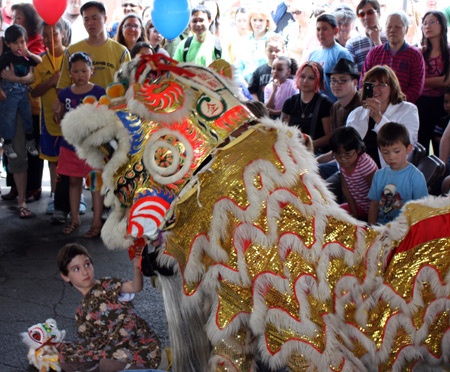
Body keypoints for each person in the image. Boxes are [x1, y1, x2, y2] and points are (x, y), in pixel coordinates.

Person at [53, 0, 130, 227]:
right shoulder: (73, 50)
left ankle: (107, 212)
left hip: (110, 123)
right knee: (73, 173)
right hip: (79, 128)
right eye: (86, 18)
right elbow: (62, 87)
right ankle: (66, 211)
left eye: (95, 17)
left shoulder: (120, 51)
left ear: (105, 19)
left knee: (108, 170)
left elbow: (127, 86)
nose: (90, 22)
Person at [57, 242, 164, 371]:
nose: (85, 272)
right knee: (65, 359)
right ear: (65, 276)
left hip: (136, 341)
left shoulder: (107, 284)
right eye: (76, 269)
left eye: (87, 264)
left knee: (109, 364)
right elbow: (89, 344)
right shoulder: (81, 313)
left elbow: (135, 287)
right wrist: (67, 347)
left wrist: (137, 268)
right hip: (111, 347)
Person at [53, 52, 105, 236]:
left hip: (92, 148)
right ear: (69, 73)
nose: (80, 75)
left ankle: (97, 223)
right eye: (75, 71)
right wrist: (58, 112)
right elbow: (60, 121)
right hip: (70, 147)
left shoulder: (99, 92)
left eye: (84, 70)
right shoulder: (65, 93)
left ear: (91, 70)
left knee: (95, 184)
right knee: (73, 181)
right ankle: (75, 219)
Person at [30, 19, 70, 215]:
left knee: (71, 160)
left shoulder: (71, 58)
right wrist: (51, 81)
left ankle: (74, 198)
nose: (49, 38)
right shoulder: (39, 63)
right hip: (48, 122)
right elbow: (35, 92)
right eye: (45, 34)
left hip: (70, 121)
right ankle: (55, 197)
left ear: (63, 34)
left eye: (54, 33)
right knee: (53, 160)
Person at [347, 65, 419, 169]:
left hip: (389, 172)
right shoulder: (356, 114)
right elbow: (345, 146)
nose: (375, 89)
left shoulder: (408, 110)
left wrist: (378, 118)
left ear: (392, 87)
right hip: (355, 172)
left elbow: (405, 146)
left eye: (381, 84)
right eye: (371, 84)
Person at [368, 122, 428, 225]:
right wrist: (371, 229)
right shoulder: (378, 175)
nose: (391, 157)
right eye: (385, 152)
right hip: (382, 230)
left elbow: (422, 210)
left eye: (396, 151)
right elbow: (374, 205)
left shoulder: (416, 176)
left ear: (408, 148)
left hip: (405, 230)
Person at [360, 10, 425, 104]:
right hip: (374, 105)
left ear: (406, 29)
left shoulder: (414, 55)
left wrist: (396, 102)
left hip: (402, 107)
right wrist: (371, 101)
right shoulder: (374, 53)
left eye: (397, 27)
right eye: (389, 26)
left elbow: (416, 87)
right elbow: (364, 81)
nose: (392, 30)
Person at [0, 24, 41, 159]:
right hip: (9, 92)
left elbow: (39, 61)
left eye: (22, 42)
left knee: (27, 115)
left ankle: (30, 141)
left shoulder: (26, 56)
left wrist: (29, 53)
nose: (19, 46)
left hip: (23, 92)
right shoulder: (6, 57)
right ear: (8, 44)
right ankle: (7, 143)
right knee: (9, 118)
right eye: (15, 43)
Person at [281, 61, 333, 153]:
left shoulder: (325, 103)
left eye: (311, 78)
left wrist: (309, 144)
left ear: (319, 81)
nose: (305, 81)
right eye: (303, 76)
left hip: (317, 153)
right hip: (293, 151)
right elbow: (282, 131)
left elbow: (329, 137)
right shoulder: (290, 102)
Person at [416, 11, 449, 154]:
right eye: (424, 23)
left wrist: (420, 82)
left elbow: (446, 81)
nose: (427, 26)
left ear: (442, 25)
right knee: (420, 146)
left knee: (440, 145)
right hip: (421, 103)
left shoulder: (448, 52)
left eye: (432, 22)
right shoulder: (418, 52)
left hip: (443, 104)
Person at [330, 126, 378, 220]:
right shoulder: (344, 163)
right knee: (332, 216)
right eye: (338, 155)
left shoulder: (365, 165)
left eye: (347, 154)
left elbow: (376, 195)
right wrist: (354, 213)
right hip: (359, 205)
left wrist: (372, 224)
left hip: (374, 208)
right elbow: (345, 189)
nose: (343, 159)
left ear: (358, 150)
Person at [308, 13, 354, 102]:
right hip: (315, 105)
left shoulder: (342, 54)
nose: (321, 33)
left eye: (325, 29)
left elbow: (348, 86)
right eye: (318, 29)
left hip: (334, 106)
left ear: (335, 30)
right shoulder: (313, 54)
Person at [233, 10, 275, 83]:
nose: (257, 23)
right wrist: (243, 84)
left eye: (261, 20)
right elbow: (237, 68)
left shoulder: (274, 39)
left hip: (267, 84)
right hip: (247, 85)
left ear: (267, 22)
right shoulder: (246, 41)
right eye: (254, 20)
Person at [346, 0, 388, 72]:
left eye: (370, 12)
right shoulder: (352, 43)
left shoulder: (389, 38)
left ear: (379, 13)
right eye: (362, 14)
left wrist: (377, 41)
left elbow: (390, 66)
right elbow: (351, 72)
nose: (366, 17)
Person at [248, 34, 285, 103]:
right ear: (265, 51)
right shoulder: (259, 71)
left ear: (283, 51)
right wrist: (259, 105)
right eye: (270, 50)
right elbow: (252, 91)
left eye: (277, 50)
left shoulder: (287, 72)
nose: (273, 53)